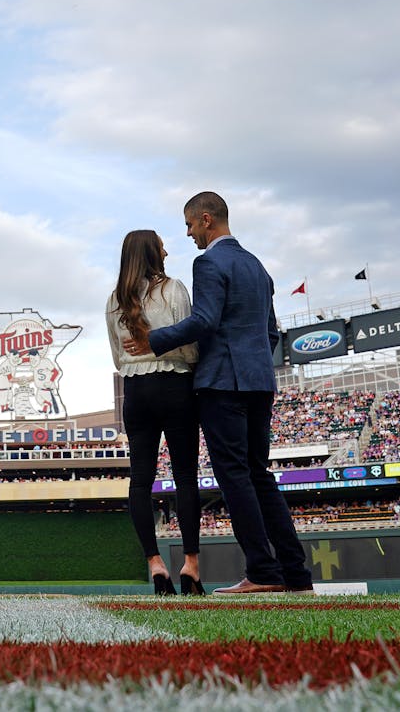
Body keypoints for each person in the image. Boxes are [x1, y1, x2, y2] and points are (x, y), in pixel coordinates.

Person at [124, 192, 313, 595]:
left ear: (206, 220)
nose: (189, 234)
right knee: (260, 476)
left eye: (191, 225)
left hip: (222, 383)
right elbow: (271, 332)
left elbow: (205, 320)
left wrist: (154, 340)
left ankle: (262, 572)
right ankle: (296, 576)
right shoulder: (257, 266)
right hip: (259, 381)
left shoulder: (208, 262)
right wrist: (254, 362)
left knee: (236, 479)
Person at [106, 229, 203, 596]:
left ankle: (154, 562)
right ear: (151, 252)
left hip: (136, 389)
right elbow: (191, 348)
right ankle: (190, 565)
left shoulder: (114, 300)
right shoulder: (172, 289)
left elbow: (118, 357)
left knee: (140, 480)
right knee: (185, 476)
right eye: (161, 244)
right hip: (175, 385)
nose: (167, 248)